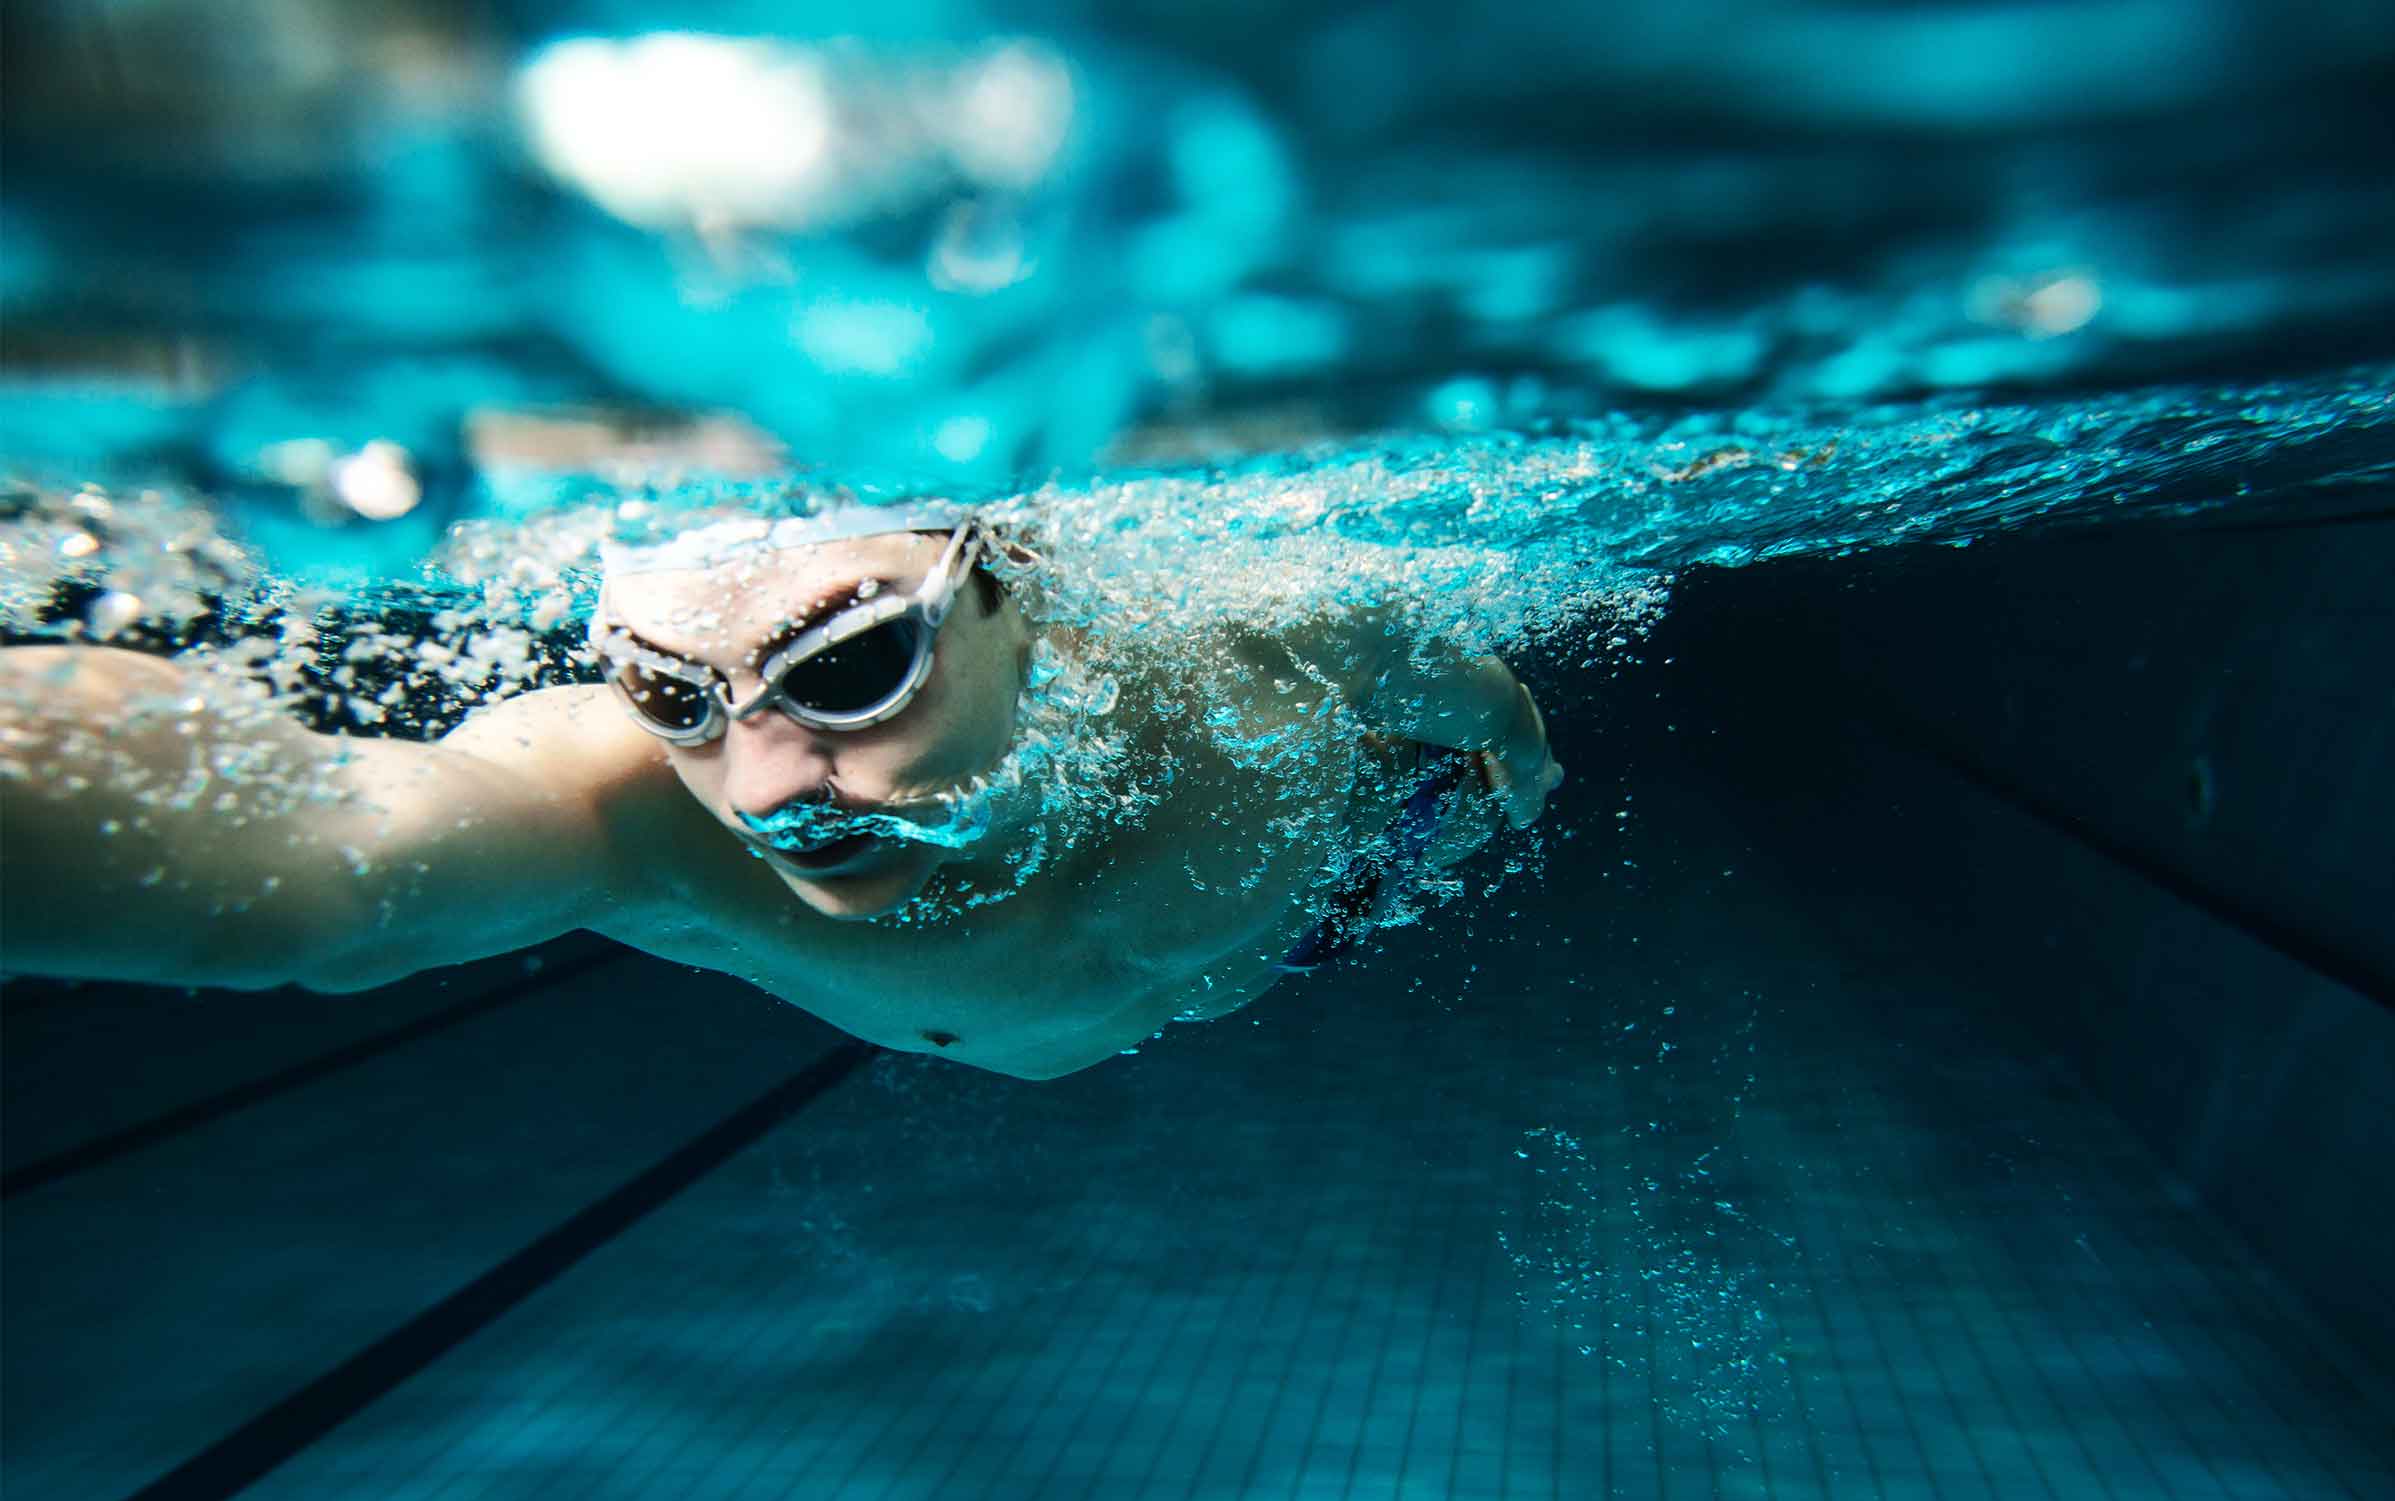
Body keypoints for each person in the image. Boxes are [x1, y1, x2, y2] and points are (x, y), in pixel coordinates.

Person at [0, 505, 1563, 1078]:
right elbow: (326, 866)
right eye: (673, 694)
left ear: (1013, 578)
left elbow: (1462, 693)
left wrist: (1526, 758)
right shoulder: (627, 812)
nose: (755, 783)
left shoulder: (1271, 634)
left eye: (850, 666)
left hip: (1331, 900)